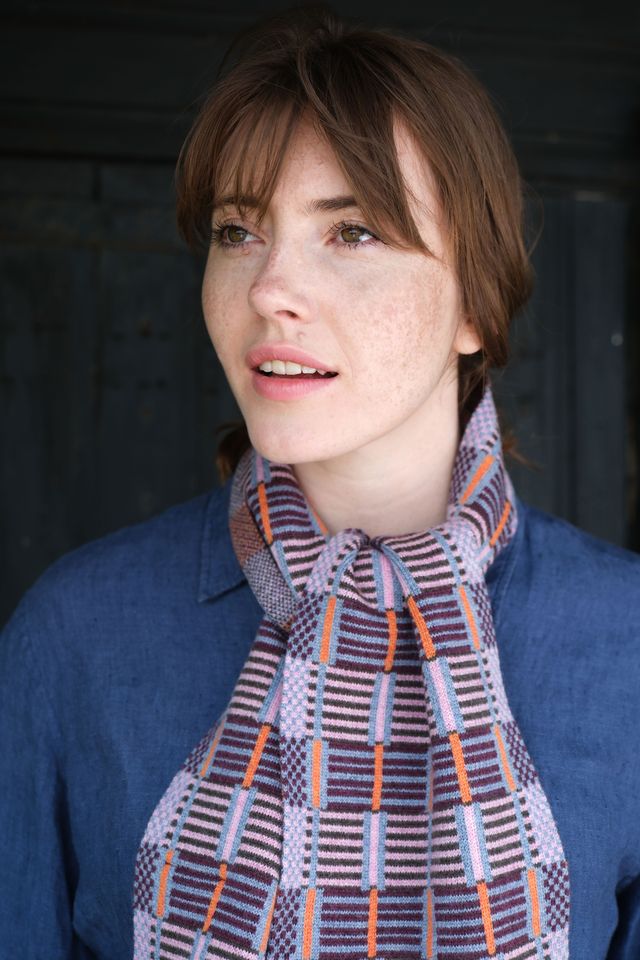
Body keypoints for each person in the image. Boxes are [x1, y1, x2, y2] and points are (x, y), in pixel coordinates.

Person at [1, 6, 638, 959]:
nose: (267, 288)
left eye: (353, 232)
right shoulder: (77, 635)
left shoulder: (626, 648)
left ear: (476, 301)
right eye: (237, 231)